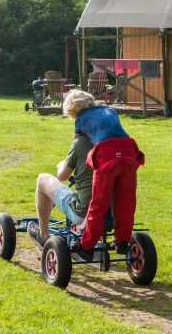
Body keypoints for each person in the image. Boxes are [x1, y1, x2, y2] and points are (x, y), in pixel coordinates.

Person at [63, 90, 145, 260]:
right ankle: (123, 241)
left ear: (72, 110)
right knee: (126, 202)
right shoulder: (110, 110)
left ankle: (86, 247)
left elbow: (76, 142)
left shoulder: (80, 119)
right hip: (129, 151)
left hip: (107, 155)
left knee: (98, 204)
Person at [27, 135, 94, 247]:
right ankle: (84, 233)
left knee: (42, 179)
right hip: (112, 214)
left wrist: (62, 165)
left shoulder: (81, 142)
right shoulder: (116, 141)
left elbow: (63, 176)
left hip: (84, 212)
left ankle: (43, 235)